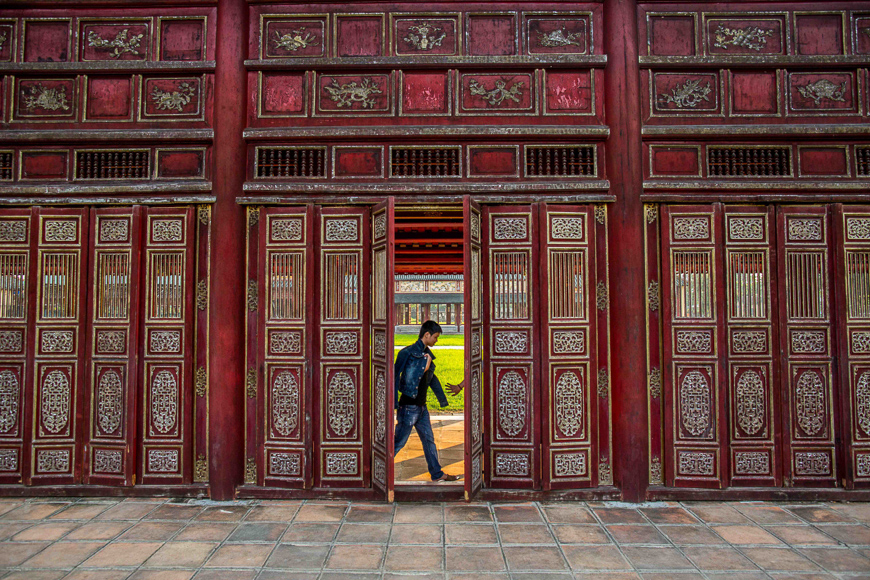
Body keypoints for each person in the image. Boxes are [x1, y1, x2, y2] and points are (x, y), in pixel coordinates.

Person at [393, 320, 460, 482]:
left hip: (421, 408)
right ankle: (376, 470)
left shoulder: (427, 355)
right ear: (427, 335)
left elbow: (431, 379)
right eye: (435, 337)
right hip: (408, 407)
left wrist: (442, 400)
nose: (436, 340)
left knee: (429, 441)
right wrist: (393, 404)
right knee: (398, 443)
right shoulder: (406, 353)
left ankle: (437, 473)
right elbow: (396, 377)